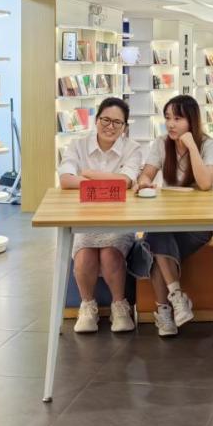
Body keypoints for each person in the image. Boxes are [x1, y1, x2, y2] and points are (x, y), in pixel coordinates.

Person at [136, 95, 213, 337]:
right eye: (167, 118)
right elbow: (147, 174)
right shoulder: (161, 143)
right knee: (157, 234)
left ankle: (164, 310)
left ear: (192, 120)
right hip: (168, 220)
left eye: (178, 118)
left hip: (198, 225)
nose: (170, 124)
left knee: (154, 243)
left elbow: (205, 184)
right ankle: (175, 299)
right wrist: (144, 182)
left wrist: (192, 146)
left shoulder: (209, 145)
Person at [57, 97, 142, 334]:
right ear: (96, 120)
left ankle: (119, 306)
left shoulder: (132, 148)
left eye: (117, 122)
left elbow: (125, 182)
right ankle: (87, 305)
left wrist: (88, 174)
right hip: (84, 217)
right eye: (106, 120)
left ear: (124, 127)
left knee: (110, 254)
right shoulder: (77, 145)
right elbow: (65, 180)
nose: (110, 126)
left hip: (119, 218)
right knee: (84, 255)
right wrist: (109, 183)